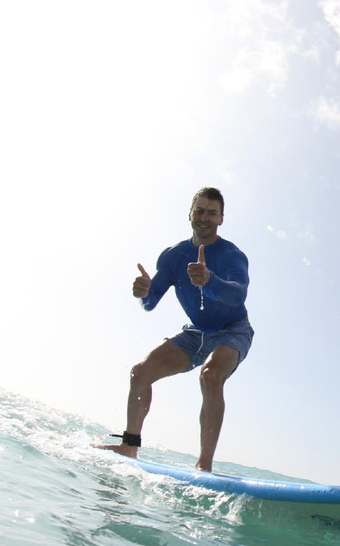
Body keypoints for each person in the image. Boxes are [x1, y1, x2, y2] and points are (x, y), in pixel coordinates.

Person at [100, 187, 253, 472]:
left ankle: (204, 466)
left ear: (221, 219)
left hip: (233, 330)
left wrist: (209, 280)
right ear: (190, 214)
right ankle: (129, 445)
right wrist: (143, 292)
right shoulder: (174, 256)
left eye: (212, 213)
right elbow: (150, 302)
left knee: (211, 375)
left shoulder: (233, 255)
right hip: (196, 332)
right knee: (140, 372)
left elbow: (238, 294)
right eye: (199, 211)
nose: (204, 217)